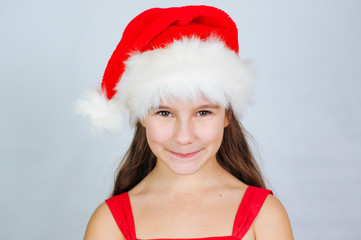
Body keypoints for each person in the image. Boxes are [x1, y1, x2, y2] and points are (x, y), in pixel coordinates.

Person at [75, 5, 294, 240]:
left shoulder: (265, 216)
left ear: (228, 115)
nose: (184, 136)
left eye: (203, 113)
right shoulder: (109, 224)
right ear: (142, 116)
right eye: (164, 113)